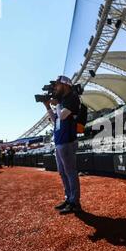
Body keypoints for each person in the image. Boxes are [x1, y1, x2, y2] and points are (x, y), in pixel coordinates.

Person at [44, 75, 81, 215]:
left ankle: (75, 202)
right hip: (59, 141)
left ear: (65, 85)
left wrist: (57, 102)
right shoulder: (63, 100)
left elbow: (63, 116)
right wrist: (47, 106)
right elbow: (56, 119)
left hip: (67, 141)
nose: (55, 88)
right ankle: (68, 198)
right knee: (62, 172)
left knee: (70, 172)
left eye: (57, 85)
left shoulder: (72, 98)